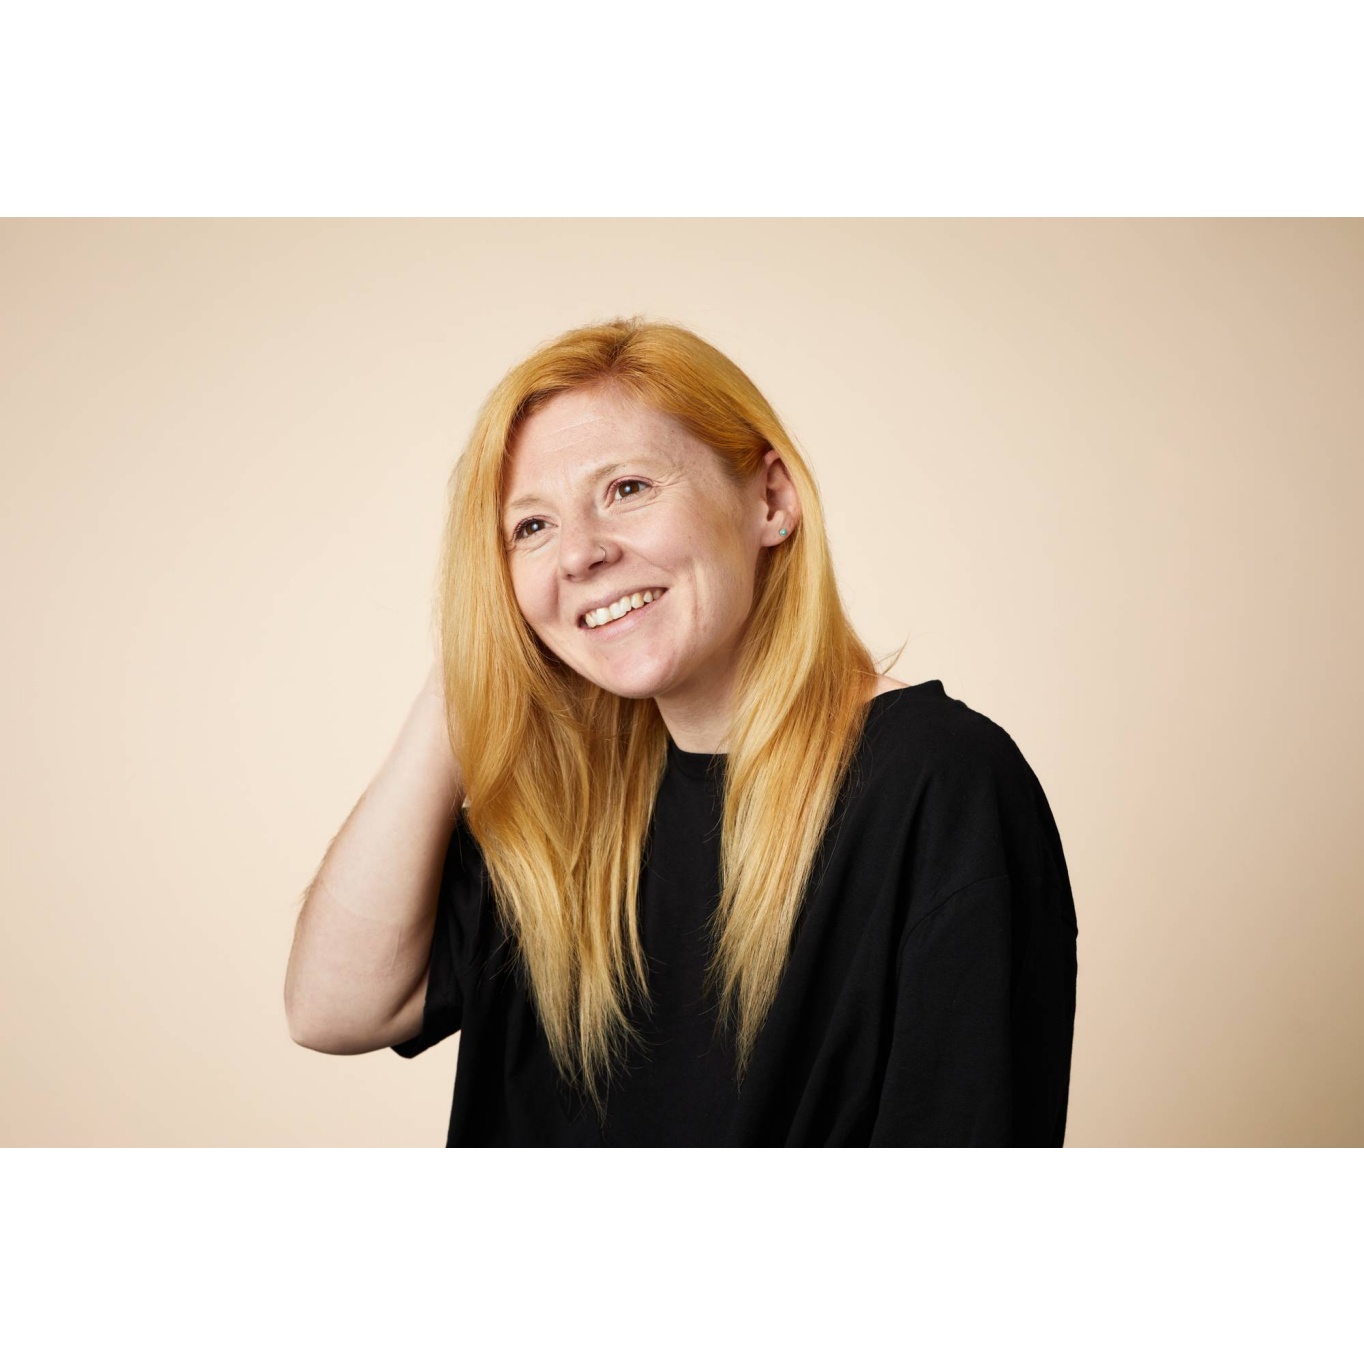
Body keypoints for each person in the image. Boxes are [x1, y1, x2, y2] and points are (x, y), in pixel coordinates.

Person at [284, 317, 1079, 1146]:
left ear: (771, 500)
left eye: (627, 488)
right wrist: (466, 671)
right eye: (532, 527)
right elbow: (333, 1008)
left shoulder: (940, 782)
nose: (579, 555)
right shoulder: (569, 801)